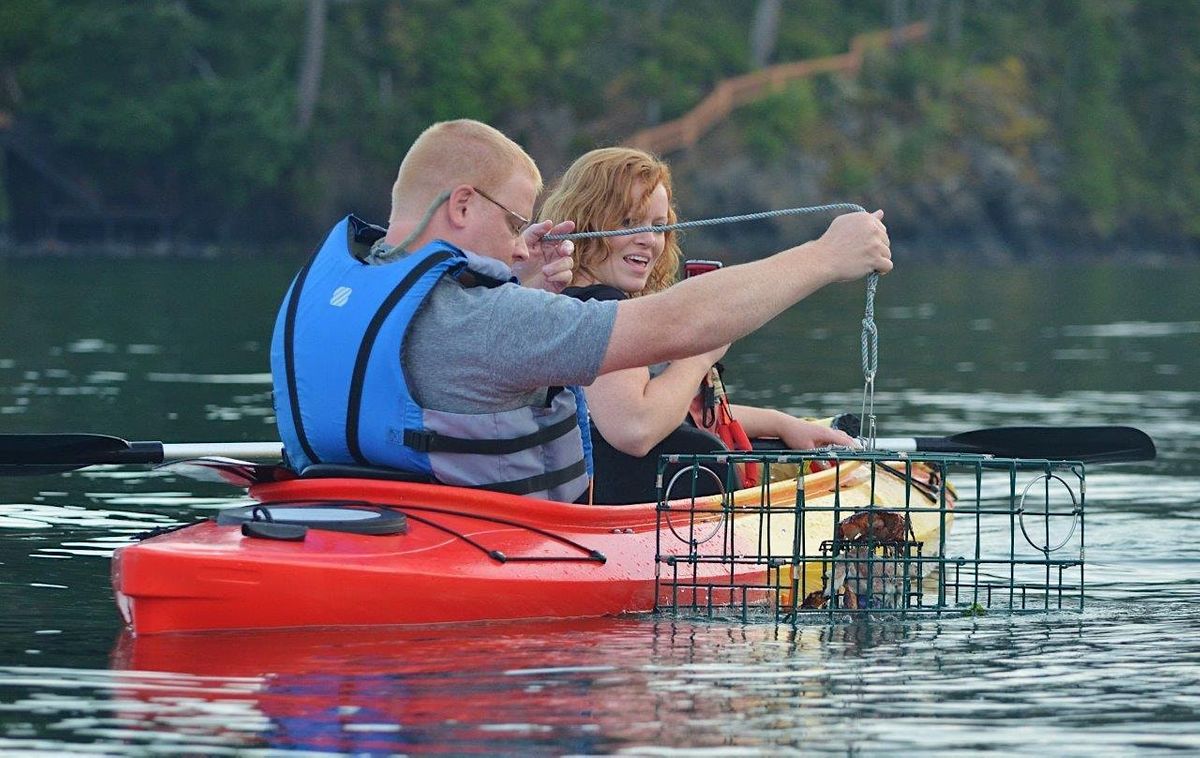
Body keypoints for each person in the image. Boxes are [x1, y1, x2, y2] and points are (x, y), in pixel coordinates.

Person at [270, 119, 891, 505]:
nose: (523, 241)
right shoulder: (485, 318)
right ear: (461, 206)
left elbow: (461, 367)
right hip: (489, 548)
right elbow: (676, 325)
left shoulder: (328, 284)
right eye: (516, 221)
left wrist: (522, 283)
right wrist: (824, 257)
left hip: (352, 508)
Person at [540, 147, 856, 503]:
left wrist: (779, 422)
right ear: (584, 222)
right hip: (619, 529)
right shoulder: (598, 307)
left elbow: (665, 408)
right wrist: (700, 356)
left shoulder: (561, 301)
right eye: (629, 222)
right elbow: (636, 427)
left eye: (659, 227)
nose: (649, 239)